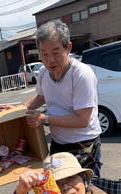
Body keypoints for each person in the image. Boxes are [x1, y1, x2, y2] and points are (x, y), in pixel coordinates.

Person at [13, 19, 102, 175]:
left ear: (68, 48)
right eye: (44, 54)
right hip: (58, 144)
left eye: (55, 52)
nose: (50, 60)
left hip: (83, 146)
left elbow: (82, 120)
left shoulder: (81, 74)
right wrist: (17, 110)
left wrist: (44, 119)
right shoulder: (43, 73)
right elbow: (41, 97)